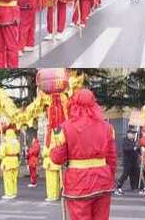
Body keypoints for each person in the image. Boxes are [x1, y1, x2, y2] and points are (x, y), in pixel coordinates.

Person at [50, 89, 117, 220]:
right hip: (103, 180)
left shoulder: (64, 128)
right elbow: (112, 158)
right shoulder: (107, 127)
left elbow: (58, 158)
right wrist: (109, 176)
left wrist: (54, 148)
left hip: (78, 182)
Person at [115, 130, 141, 195]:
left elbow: (138, 150)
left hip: (134, 161)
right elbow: (126, 148)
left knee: (136, 174)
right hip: (128, 161)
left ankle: (136, 187)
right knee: (125, 174)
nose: (133, 135)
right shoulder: (125, 141)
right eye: (132, 134)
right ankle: (118, 187)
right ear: (128, 134)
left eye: (134, 134)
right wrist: (134, 148)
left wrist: (139, 152)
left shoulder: (134, 141)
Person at [0, 129, 20, 199]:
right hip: (15, 160)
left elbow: (2, 153)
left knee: (7, 178)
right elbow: (18, 150)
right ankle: (14, 192)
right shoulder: (16, 141)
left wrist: (0, 147)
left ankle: (9, 193)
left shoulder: (5, 141)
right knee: (14, 178)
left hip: (7, 160)